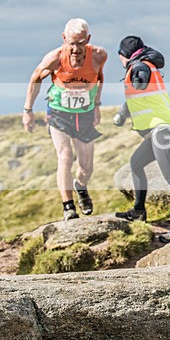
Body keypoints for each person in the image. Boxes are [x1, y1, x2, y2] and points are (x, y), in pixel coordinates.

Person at [23, 18, 107, 220]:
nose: (76, 49)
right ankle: (68, 206)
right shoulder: (55, 58)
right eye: (71, 43)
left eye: (81, 43)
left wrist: (97, 105)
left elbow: (99, 78)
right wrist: (28, 110)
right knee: (65, 156)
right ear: (64, 38)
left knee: (86, 167)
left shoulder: (99, 55)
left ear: (88, 39)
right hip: (59, 112)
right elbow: (35, 79)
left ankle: (81, 186)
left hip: (84, 114)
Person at [113, 35, 170, 243]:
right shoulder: (142, 65)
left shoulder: (140, 66)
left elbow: (141, 76)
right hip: (159, 130)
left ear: (124, 54)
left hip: (164, 129)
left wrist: (139, 77)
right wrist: (121, 114)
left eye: (119, 55)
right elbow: (137, 97)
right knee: (136, 163)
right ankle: (138, 211)